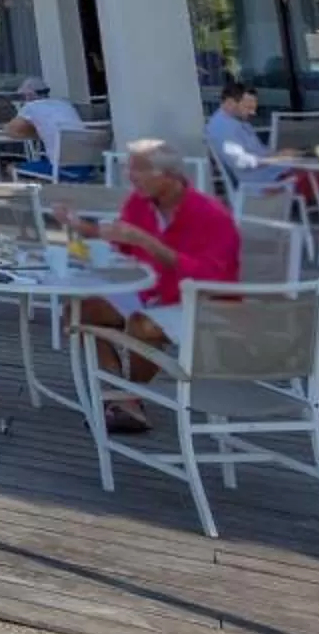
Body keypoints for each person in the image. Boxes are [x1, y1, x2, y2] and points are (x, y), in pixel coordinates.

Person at [60, 141, 242, 436]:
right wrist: (83, 231)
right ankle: (120, 393)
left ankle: (127, 398)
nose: (131, 176)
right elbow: (121, 245)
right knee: (79, 312)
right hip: (152, 291)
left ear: (168, 174)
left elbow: (212, 276)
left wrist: (149, 244)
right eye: (129, 168)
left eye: (139, 169)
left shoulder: (209, 214)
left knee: (143, 326)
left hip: (203, 303)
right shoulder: (140, 203)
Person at [6, 77, 87, 174]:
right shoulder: (64, 103)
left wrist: (35, 133)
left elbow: (11, 130)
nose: (24, 100)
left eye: (24, 96)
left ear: (30, 95)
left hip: (63, 169)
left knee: (12, 167)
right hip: (87, 165)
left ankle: (43, 188)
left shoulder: (31, 106)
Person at [204, 79, 269, 186]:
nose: (253, 112)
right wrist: (276, 159)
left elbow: (258, 151)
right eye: (248, 107)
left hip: (265, 174)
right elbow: (240, 162)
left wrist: (280, 155)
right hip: (259, 182)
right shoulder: (222, 127)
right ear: (230, 103)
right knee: (303, 178)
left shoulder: (237, 121)